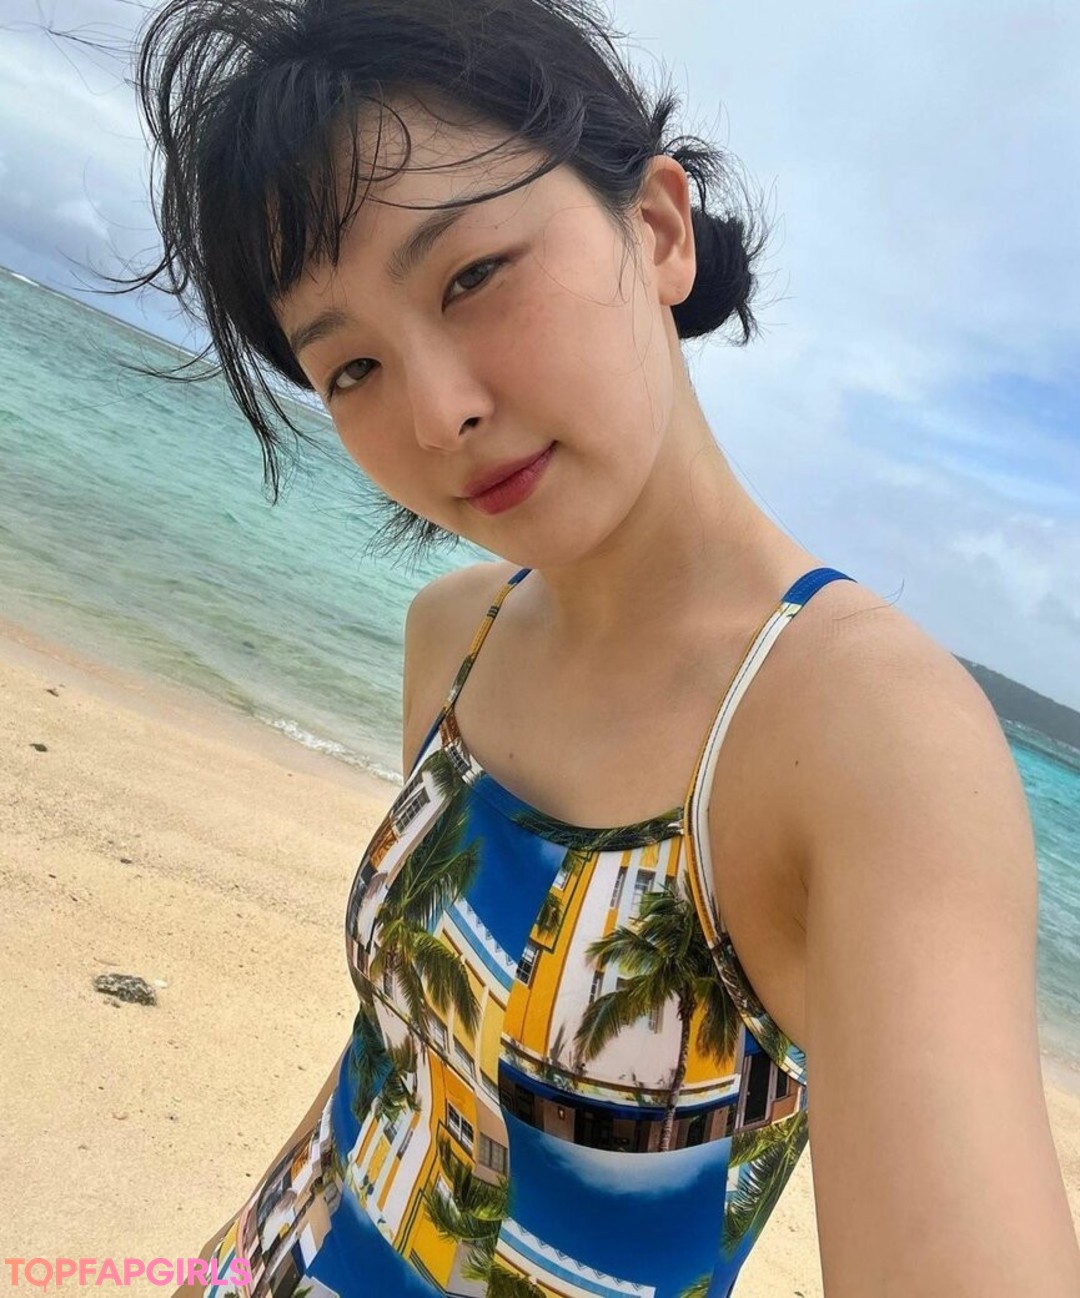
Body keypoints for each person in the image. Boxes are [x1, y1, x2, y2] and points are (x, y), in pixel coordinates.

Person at [115, 1, 1078, 1294]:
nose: (439, 412)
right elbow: (403, 1058)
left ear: (659, 228)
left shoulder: (861, 730)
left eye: (472, 276)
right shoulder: (457, 634)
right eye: (351, 370)